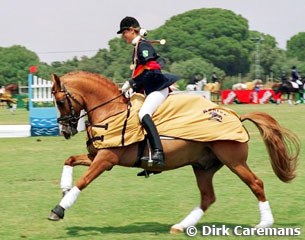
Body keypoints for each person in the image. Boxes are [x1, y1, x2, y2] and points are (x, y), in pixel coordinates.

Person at [118, 16, 178, 167]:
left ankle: (158, 152)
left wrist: (131, 83)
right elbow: (141, 75)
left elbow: (152, 71)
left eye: (124, 32)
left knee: (143, 114)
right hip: (149, 90)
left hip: (158, 89)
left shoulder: (143, 47)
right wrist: (131, 89)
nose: (123, 36)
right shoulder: (138, 47)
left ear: (132, 30)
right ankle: (145, 153)